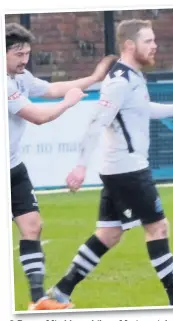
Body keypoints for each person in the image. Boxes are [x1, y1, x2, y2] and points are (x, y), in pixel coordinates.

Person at [48, 19, 173, 307]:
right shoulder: (119, 81)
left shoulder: (133, 76)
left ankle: (61, 292)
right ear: (130, 46)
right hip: (129, 170)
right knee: (157, 228)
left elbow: (144, 109)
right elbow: (97, 122)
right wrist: (80, 165)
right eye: (149, 41)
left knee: (109, 234)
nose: (155, 45)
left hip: (120, 169)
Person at [6, 22, 118, 311]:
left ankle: (37, 299)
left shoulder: (19, 77)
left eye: (27, 53)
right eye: (19, 55)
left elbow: (52, 88)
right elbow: (38, 116)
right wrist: (69, 104)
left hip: (13, 166)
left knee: (32, 225)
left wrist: (93, 78)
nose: (24, 60)